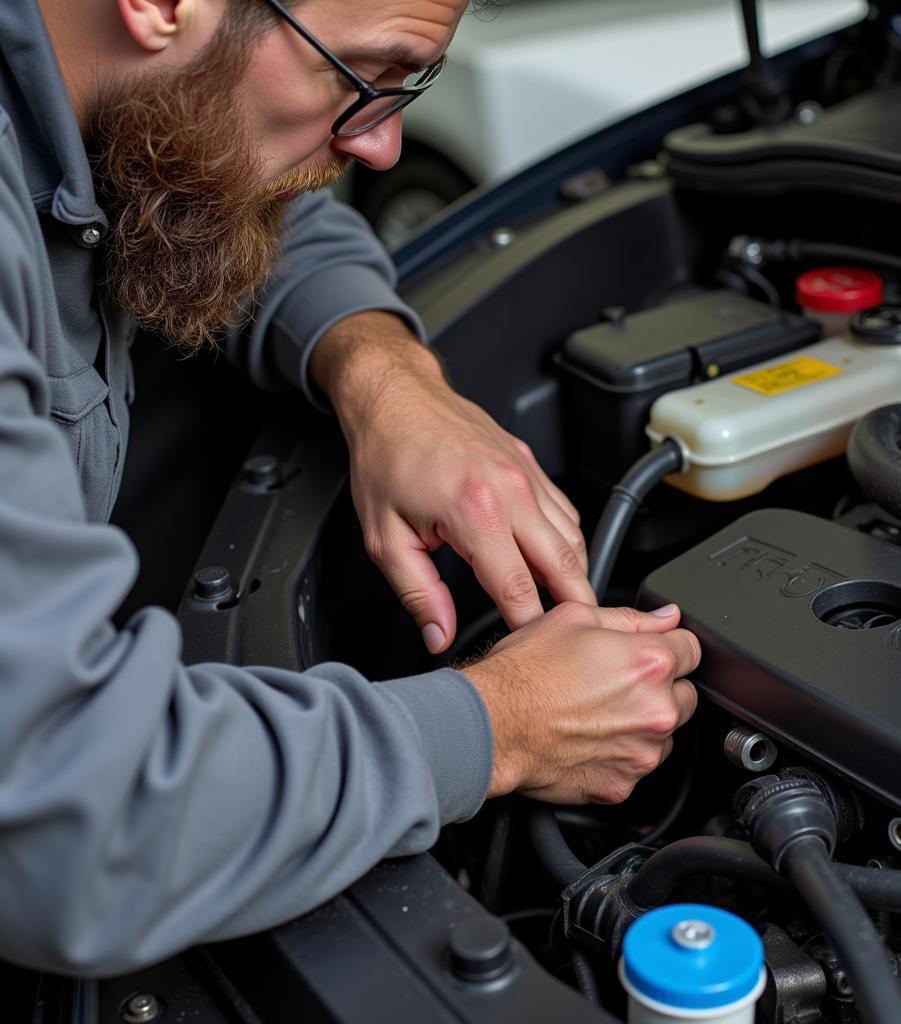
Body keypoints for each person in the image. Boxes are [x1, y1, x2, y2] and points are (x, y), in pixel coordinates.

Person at [0, 0, 700, 975]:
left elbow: (247, 194)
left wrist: (384, 377)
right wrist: (500, 724)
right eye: (363, 76)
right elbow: (66, 821)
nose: (381, 145)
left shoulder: (108, 106)